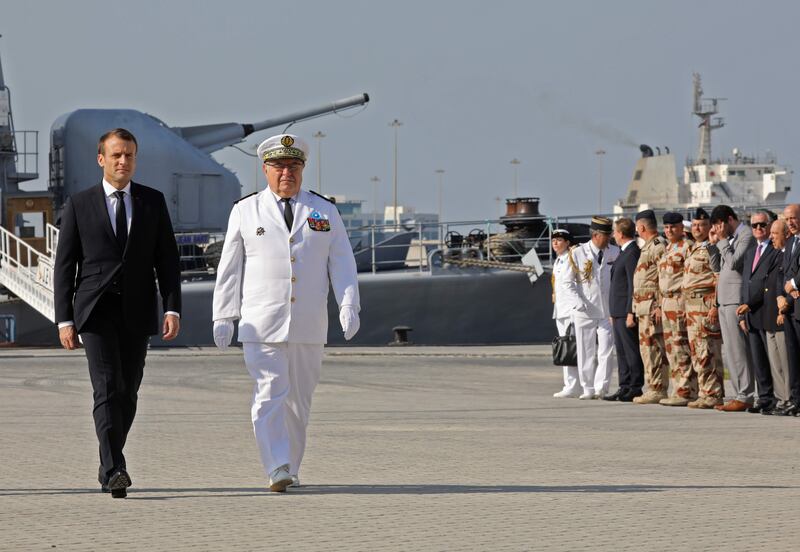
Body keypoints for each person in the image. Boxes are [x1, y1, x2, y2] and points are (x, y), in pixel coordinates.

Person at [212, 134, 360, 491]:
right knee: (269, 392)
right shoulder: (246, 211)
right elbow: (229, 268)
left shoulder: (323, 211)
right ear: (265, 169)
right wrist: (223, 314)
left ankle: (290, 467)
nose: (286, 173)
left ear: (302, 169)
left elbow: (341, 261)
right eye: (279, 166)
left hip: (308, 322)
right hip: (261, 322)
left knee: (299, 401)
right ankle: (276, 465)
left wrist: (349, 303)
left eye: (293, 166)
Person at [53, 128, 182, 499]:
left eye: (129, 155)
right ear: (101, 159)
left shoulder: (152, 202)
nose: (123, 161)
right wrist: (65, 319)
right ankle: (114, 469)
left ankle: (108, 460)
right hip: (95, 310)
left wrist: (172, 306)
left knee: (128, 391)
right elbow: (66, 265)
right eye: (116, 155)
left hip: (138, 309)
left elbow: (167, 261)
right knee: (107, 388)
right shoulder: (79, 204)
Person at [561, 216, 619, 399]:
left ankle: (601, 387)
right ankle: (587, 388)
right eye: (606, 235)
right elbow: (566, 282)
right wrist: (578, 303)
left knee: (607, 350)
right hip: (585, 309)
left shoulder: (615, 252)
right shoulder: (578, 253)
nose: (609, 238)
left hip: (607, 310)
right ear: (595, 235)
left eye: (610, 234)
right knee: (586, 351)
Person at [711, 205, 756, 412]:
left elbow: (735, 263)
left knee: (739, 350)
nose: (719, 230)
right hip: (724, 300)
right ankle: (739, 394)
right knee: (730, 350)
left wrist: (721, 242)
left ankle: (745, 395)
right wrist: (714, 245)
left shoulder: (745, 235)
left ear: (728, 220)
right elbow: (718, 268)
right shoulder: (726, 240)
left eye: (719, 225)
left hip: (736, 299)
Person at [736, 211, 780, 413]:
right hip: (750, 313)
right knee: (758, 358)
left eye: (762, 225)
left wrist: (750, 304)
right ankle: (763, 397)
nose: (758, 229)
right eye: (754, 226)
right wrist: (744, 312)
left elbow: (765, 283)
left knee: (772, 358)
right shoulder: (751, 250)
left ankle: (775, 397)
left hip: (765, 309)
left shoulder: (775, 250)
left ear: (770, 226)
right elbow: (746, 282)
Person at [683, 208, 724, 409]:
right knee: (697, 352)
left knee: (707, 351)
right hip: (691, 307)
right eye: (695, 225)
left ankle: (713, 393)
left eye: (702, 225)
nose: (697, 228)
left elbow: (718, 279)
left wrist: (715, 306)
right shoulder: (693, 248)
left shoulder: (712, 249)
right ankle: (704, 391)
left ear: (709, 227)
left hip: (704, 305)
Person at [656, 212, 695, 406]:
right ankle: (679, 387)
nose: (669, 230)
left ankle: (685, 390)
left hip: (679, 300)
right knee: (671, 349)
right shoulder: (668, 247)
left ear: (681, 228)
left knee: (681, 347)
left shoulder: (687, 247)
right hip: (666, 302)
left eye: (673, 227)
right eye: (667, 227)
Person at [604, 217, 644, 402]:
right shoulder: (623, 252)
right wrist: (613, 312)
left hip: (626, 311)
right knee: (621, 351)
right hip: (617, 311)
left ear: (620, 233)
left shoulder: (632, 253)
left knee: (630, 349)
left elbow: (632, 285)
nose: (613, 235)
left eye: (614, 231)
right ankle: (624, 385)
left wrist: (630, 312)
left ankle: (635, 386)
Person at [632, 210, 669, 404]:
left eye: (637, 226)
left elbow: (665, 277)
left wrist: (659, 305)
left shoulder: (657, 246)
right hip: (643, 308)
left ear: (642, 227)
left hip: (652, 307)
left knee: (654, 349)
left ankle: (658, 388)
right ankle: (653, 386)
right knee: (647, 350)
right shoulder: (647, 247)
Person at [773, 204, 800, 416]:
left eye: (794, 218)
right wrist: (783, 294)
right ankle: (796, 400)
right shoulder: (791, 241)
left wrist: (794, 284)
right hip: (790, 307)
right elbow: (785, 270)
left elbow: (794, 276)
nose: (790, 222)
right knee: (793, 357)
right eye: (787, 218)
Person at [551, 229, 581, 398]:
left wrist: (576, 307)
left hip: (571, 310)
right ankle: (569, 384)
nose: (555, 243)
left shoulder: (571, 258)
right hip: (560, 310)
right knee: (564, 348)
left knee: (573, 348)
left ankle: (576, 384)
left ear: (568, 242)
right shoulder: (559, 261)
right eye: (554, 240)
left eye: (559, 240)